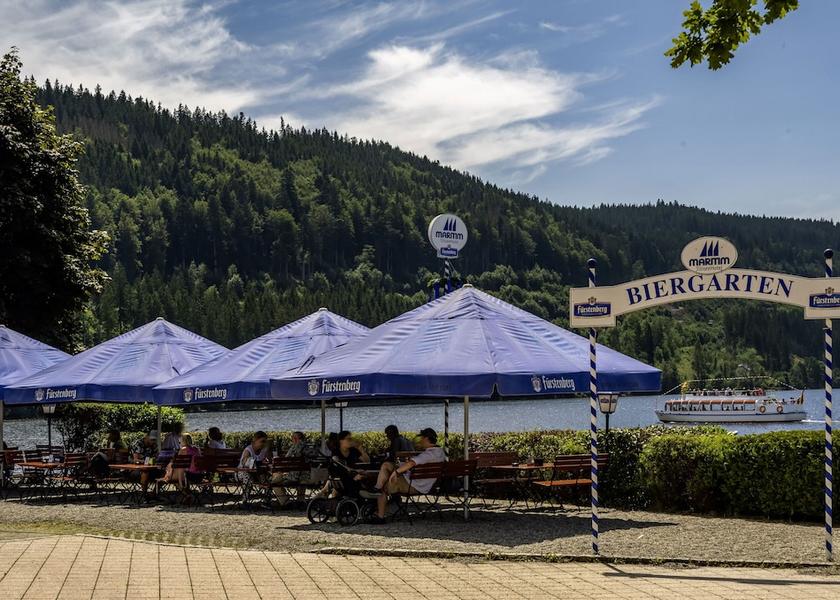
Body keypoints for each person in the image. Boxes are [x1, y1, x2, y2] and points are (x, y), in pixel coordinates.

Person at [368, 428, 446, 524]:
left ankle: (380, 516)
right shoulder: (440, 453)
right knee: (386, 465)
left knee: (383, 487)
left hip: (414, 485)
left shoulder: (428, 455)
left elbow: (411, 463)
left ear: (426, 439)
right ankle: (377, 487)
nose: (420, 441)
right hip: (426, 485)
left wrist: (396, 472)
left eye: (421, 438)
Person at [130, 430, 160, 497]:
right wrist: (148, 461)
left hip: (150, 469)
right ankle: (144, 495)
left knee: (164, 473)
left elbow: (157, 457)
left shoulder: (154, 445)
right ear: (146, 437)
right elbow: (135, 460)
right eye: (152, 439)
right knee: (145, 473)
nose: (153, 441)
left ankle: (153, 494)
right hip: (134, 469)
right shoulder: (137, 444)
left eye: (155, 440)